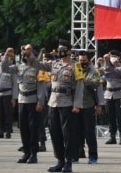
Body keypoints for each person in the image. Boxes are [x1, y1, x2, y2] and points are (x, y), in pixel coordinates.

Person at [1, 45, 49, 164]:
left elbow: (41, 86)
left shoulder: (37, 67)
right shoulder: (19, 67)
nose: (23, 56)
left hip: (33, 100)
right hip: (22, 100)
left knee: (33, 128)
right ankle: (26, 152)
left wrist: (40, 101)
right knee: (23, 128)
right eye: (22, 54)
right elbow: (5, 68)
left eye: (25, 54)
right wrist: (6, 55)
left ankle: (33, 153)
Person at [45, 39, 84, 173]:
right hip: (53, 102)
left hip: (67, 103)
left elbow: (79, 86)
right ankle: (59, 161)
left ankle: (68, 162)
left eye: (63, 49)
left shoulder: (76, 66)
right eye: (59, 48)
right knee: (55, 133)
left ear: (69, 51)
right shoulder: (54, 64)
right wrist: (31, 53)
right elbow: (36, 65)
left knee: (68, 134)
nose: (60, 51)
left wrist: (77, 104)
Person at [75, 51, 103, 164]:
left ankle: (93, 156)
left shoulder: (93, 72)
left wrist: (84, 79)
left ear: (89, 61)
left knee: (89, 132)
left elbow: (96, 84)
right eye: (80, 61)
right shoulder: (75, 70)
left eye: (84, 61)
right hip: (76, 105)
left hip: (88, 105)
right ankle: (77, 153)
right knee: (75, 131)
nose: (82, 63)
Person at [0, 51, 17, 139]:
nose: (3, 57)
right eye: (2, 56)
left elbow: (15, 84)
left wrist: (14, 97)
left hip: (8, 93)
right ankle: (0, 130)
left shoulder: (12, 68)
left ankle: (8, 131)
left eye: (6, 56)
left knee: (8, 113)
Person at [102, 50, 121, 145]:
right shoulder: (107, 65)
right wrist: (106, 61)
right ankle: (112, 136)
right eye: (112, 56)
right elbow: (107, 71)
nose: (113, 58)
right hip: (108, 94)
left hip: (118, 93)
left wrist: (115, 64)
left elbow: (117, 73)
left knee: (120, 117)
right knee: (110, 116)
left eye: (115, 56)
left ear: (119, 57)